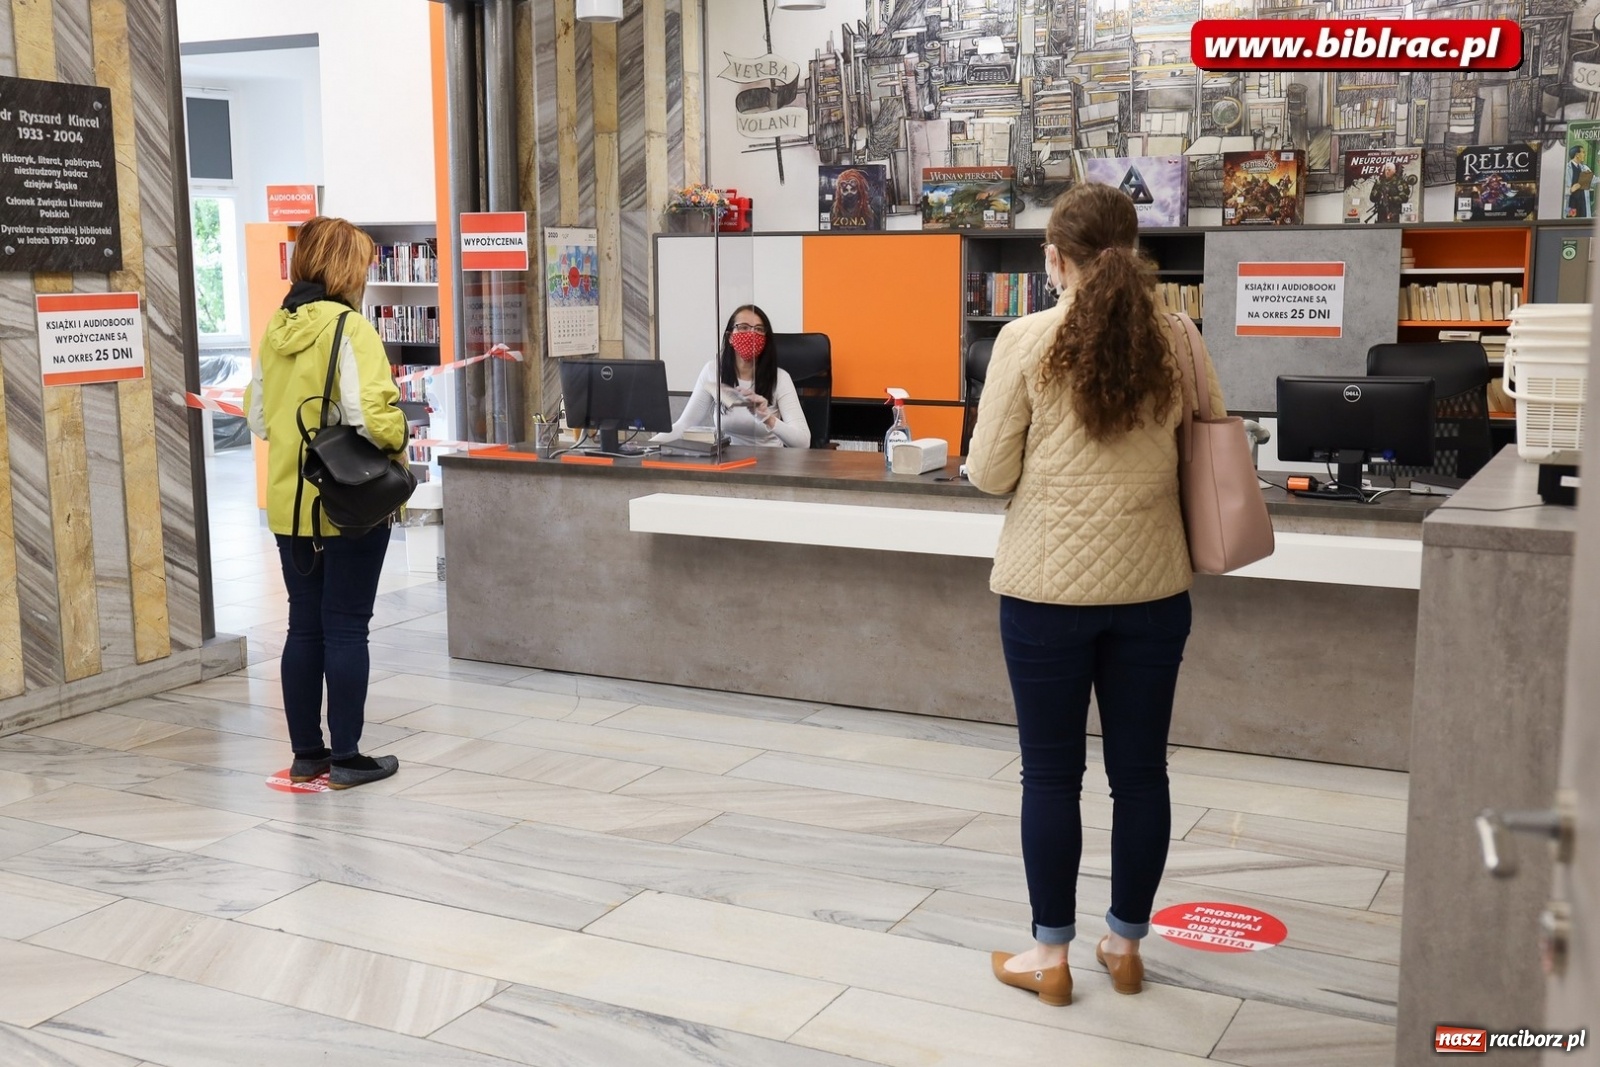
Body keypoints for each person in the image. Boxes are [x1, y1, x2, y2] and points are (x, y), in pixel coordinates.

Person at [966, 183, 1227, 1006]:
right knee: (1140, 775)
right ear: (1136, 251)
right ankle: (1125, 944)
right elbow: (1213, 441)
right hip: (1153, 587)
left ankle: (1050, 960)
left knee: (1049, 776)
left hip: (1045, 593)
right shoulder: (1178, 338)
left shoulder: (1025, 340)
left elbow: (987, 473)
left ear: (1055, 259)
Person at [245, 215, 405, 790]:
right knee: (346, 628)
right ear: (344, 266)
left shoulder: (275, 328)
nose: (366, 272)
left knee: (303, 627)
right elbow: (372, 418)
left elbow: (260, 418)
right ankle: (347, 758)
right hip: (348, 505)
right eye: (361, 262)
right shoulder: (351, 328)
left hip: (290, 507)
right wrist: (400, 431)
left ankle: (307, 755)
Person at [656, 304, 810, 447]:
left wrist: (767, 418)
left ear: (765, 339)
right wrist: (646, 447)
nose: (751, 334)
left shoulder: (780, 378)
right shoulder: (713, 370)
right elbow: (684, 425)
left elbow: (803, 442)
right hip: (728, 464)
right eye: (743, 327)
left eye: (758, 329)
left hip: (769, 466)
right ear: (730, 336)